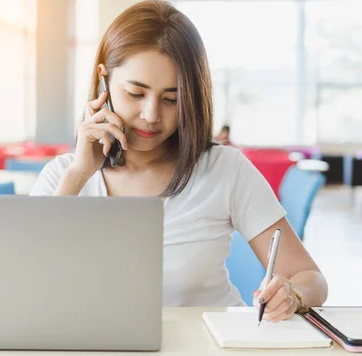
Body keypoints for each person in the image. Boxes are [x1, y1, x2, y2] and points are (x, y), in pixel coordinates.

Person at [30, 1, 327, 321]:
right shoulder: (62, 177)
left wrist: (292, 295)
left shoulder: (225, 169)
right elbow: (27, 283)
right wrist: (78, 173)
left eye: (172, 99)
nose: (151, 115)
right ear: (104, 80)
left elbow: (311, 278)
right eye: (135, 93)